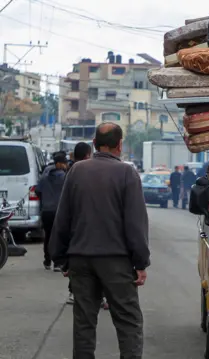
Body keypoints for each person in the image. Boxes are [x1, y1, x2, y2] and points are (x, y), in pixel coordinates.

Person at [49, 122, 150, 359]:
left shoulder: (76, 171)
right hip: (116, 261)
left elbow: (63, 217)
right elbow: (135, 223)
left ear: (94, 144)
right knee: (128, 321)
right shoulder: (127, 173)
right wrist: (141, 263)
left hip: (80, 259)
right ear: (120, 145)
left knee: (84, 322)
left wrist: (62, 258)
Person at [64, 141, 97, 306]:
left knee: (75, 262)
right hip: (83, 223)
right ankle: (80, 293)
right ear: (86, 155)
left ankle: (75, 292)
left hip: (73, 224)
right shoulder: (83, 172)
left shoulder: (69, 170)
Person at [36, 152, 68, 271]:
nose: (65, 165)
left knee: (48, 236)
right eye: (64, 163)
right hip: (59, 212)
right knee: (58, 237)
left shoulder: (44, 178)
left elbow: (37, 191)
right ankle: (57, 263)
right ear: (59, 164)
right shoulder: (65, 178)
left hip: (46, 211)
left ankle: (47, 260)